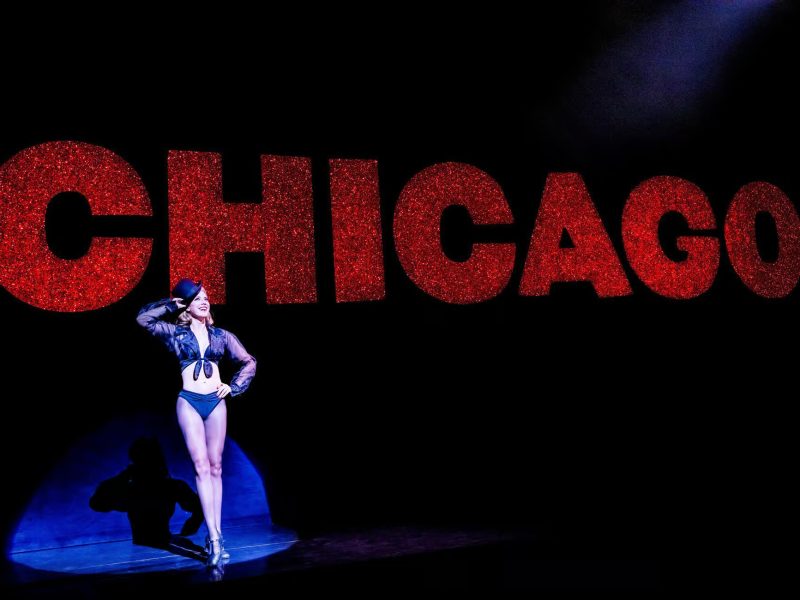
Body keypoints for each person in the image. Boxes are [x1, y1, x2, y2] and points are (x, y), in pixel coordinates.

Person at [136, 279, 256, 566]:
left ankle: (217, 533)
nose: (204, 300)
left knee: (216, 466)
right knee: (201, 466)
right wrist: (172, 303)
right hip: (189, 400)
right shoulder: (175, 333)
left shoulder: (222, 336)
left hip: (215, 402)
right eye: (197, 297)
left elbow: (248, 361)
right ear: (187, 306)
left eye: (206, 297)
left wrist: (234, 386)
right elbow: (142, 319)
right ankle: (213, 537)